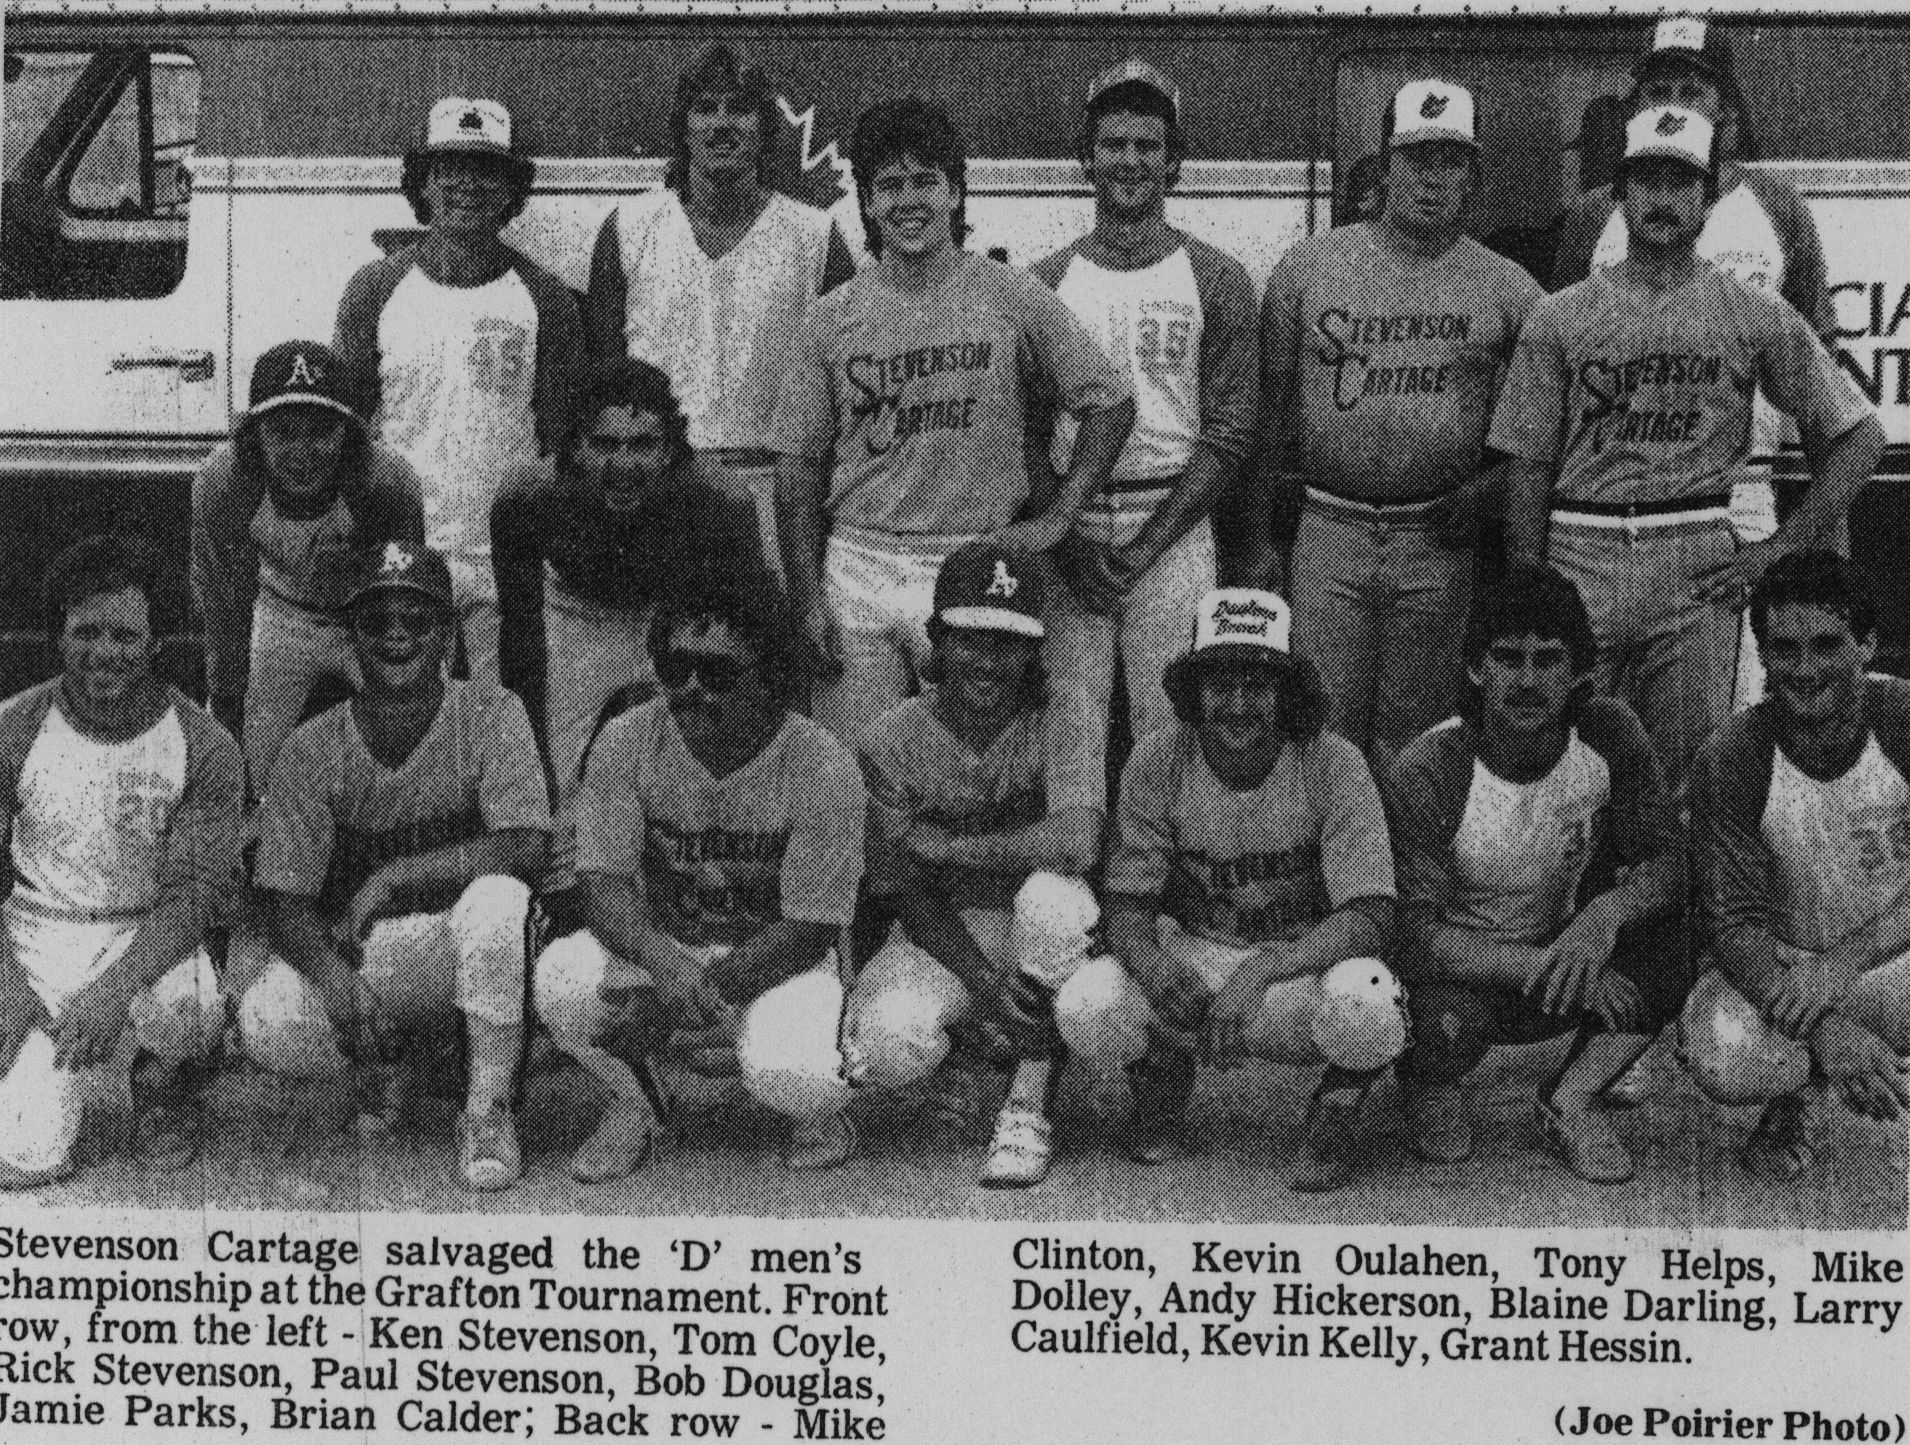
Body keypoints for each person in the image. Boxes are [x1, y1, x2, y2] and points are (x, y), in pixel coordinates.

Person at [1494, 104, 1881, 790]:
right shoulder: (1562, 315)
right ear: (1620, 195)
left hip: (1695, 549)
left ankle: (1676, 899)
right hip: (1581, 543)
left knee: (1684, 779)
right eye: (1647, 181)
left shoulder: (1751, 311)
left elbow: (1857, 436)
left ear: (1707, 199)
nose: (1663, 198)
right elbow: (1527, 464)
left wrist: (1780, 547)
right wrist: (1530, 586)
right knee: (1567, 771)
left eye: (1681, 182)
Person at [771, 96, 1134, 740]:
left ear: (956, 193)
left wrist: (1057, 519)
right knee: (865, 778)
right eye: (890, 186)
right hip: (863, 568)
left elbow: (1108, 401)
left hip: (980, 567)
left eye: (926, 182)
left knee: (981, 770)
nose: (908, 202)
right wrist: (806, 597)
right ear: (868, 204)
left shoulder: (1010, 293)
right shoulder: (829, 318)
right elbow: (800, 469)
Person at [1053, 588, 1405, 1192]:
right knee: (1087, 1002)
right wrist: (1162, 977)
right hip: (1193, 954)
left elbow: (1370, 917)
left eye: (1258, 685)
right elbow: (1126, 905)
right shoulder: (1158, 757)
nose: (1237, 704)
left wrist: (1261, 971)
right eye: (1220, 684)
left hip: (1294, 970)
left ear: (1285, 694)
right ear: (1195, 691)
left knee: (1367, 996)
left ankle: (1339, 1106)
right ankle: (1160, 1073)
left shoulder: (1334, 761)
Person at [235, 542, 551, 1192]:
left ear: (447, 634)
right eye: (378, 620)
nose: (397, 635)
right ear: (352, 635)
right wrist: (333, 980)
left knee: (500, 901)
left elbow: (525, 847)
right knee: (268, 1024)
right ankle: (411, 1058)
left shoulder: (493, 712)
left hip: (463, 936)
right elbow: (281, 897)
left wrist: (395, 875)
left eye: (417, 618)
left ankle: (487, 1107)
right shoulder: (313, 745)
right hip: (369, 955)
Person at [533, 575, 867, 1179]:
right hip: (668, 948)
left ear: (770, 677)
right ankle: (638, 1100)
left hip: (774, 960)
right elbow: (602, 889)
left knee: (794, 1072)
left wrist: (690, 995)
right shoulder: (626, 737)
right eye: (677, 667)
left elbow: (809, 928)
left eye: (717, 673)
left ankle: (819, 1113)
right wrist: (666, 965)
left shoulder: (823, 761)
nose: (691, 687)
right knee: (562, 978)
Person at [1552, 17, 1836, 715]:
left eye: (1694, 87)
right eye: (1658, 89)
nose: (1674, 101)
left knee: (1731, 712)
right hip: (1602, 506)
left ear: (1727, 112)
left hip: (1739, 493)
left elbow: (1824, 383)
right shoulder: (1594, 215)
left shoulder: (1778, 208)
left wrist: (1826, 546)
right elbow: (1557, 369)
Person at [1257, 80, 1541, 759]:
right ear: (1384, 165)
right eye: (1416, 159)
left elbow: (1551, 428)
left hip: (1438, 537)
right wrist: (1261, 539)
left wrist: (1493, 491)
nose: (1432, 179)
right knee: (1320, 728)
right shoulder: (1309, 269)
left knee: (1418, 736)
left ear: (1473, 175)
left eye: (1451, 162)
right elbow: (1268, 417)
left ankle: (1408, 866)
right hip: (1329, 528)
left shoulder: (1508, 287)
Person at [1385, 564, 1686, 1184]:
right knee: (1429, 1042)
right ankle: (1428, 1080)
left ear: (1581, 671)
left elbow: (1674, 863)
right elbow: (1415, 935)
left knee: (1678, 938)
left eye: (1547, 660)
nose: (1526, 680)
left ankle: (1572, 1097)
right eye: (1507, 658)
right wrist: (1539, 964)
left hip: (1571, 957)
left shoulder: (1610, 734)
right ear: (1474, 668)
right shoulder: (1432, 765)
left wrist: (1605, 918)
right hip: (1466, 979)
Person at [837, 542, 1106, 1187]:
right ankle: (967, 1058)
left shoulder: (1062, 720)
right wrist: (980, 977)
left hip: (1032, 931)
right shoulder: (890, 730)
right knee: (887, 1047)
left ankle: (1030, 1091)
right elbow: (893, 877)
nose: (987, 659)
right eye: (970, 637)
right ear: (934, 639)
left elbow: (1073, 844)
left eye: (1008, 641)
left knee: (1055, 900)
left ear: (1035, 650)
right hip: (938, 933)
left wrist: (940, 849)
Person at [1032, 59, 1258, 779]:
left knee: (1171, 727)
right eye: (1114, 145)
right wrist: (1064, 539)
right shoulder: (1045, 281)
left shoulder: (1216, 277)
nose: (1130, 161)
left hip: (1174, 525)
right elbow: (1026, 435)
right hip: (1074, 527)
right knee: (1070, 729)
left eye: (1148, 147)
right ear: (1085, 160)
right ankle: (1065, 884)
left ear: (1175, 163)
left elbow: (1228, 436)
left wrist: (1144, 548)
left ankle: (1155, 881)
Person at [0, 536, 240, 1187]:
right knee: (25, 1161)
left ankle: (161, 1083)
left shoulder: (203, 743)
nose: (104, 652)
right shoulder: (13, 726)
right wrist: (11, 984)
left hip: (148, 929)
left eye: (125, 636)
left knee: (186, 1002)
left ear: (157, 641)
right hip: (38, 930)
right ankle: (44, 1076)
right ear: (59, 635)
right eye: (87, 632)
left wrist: (110, 992)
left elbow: (193, 894)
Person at [335, 97, 584, 683]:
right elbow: (349, 436)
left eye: (485, 170)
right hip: (403, 557)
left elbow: (561, 447)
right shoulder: (374, 290)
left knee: (496, 721)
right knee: (409, 712)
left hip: (504, 564)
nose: (466, 185)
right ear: (423, 184)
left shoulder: (546, 300)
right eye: (448, 169)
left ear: (510, 190)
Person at [586, 45, 855, 578]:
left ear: (764, 128)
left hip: (774, 489)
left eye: (740, 109)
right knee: (659, 650)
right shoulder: (628, 228)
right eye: (705, 108)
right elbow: (602, 379)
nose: (722, 124)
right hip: (655, 481)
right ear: (683, 129)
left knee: (766, 652)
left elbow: (845, 389)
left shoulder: (816, 237)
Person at [1684, 552, 1910, 1180]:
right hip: (1783, 974)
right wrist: (1824, 1028)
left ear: (1867, 643)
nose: (1805, 670)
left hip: (1884, 957)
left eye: (1827, 645)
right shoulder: (1732, 756)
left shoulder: (1904, 722)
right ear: (1761, 654)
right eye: (1783, 649)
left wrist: (1839, 971)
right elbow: (1729, 925)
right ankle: (1787, 1105)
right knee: (1724, 1055)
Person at [493, 358, 765, 801]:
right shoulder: (528, 497)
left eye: (642, 445)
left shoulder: (720, 498)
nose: (623, 464)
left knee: (683, 771)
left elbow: (756, 628)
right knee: (556, 792)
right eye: (604, 444)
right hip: (572, 613)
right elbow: (521, 631)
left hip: (669, 612)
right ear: (575, 448)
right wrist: (535, 764)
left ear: (671, 450)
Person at [192, 340, 425, 788]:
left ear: (349, 435)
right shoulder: (224, 485)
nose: (302, 452)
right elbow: (224, 608)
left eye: (321, 431)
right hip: (284, 611)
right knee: (255, 758)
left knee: (409, 735)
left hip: (365, 615)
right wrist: (226, 706)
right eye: (283, 432)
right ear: (254, 435)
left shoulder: (387, 483)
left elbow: (408, 599)